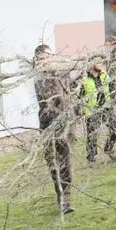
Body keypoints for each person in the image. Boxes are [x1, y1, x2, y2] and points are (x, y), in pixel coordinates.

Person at [33, 44, 75, 214]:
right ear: (36, 60)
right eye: (41, 59)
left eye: (47, 57)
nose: (45, 61)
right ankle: (60, 195)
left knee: (66, 163)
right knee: (53, 164)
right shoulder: (38, 78)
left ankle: (65, 199)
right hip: (48, 125)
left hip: (66, 125)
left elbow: (73, 87)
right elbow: (50, 99)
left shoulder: (62, 72)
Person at [80, 63, 116, 167]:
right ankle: (91, 159)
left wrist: (113, 97)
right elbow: (80, 96)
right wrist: (82, 111)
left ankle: (108, 147)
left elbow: (112, 87)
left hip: (106, 108)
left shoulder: (104, 75)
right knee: (92, 135)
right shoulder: (84, 79)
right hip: (92, 110)